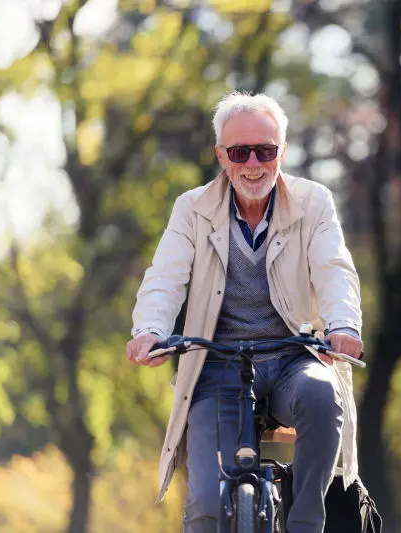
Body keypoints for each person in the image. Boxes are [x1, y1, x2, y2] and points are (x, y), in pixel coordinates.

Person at [125, 91, 364, 533]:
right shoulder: (192, 208)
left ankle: (306, 524)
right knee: (206, 506)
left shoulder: (314, 201)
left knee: (322, 394)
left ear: (282, 152)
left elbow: (334, 267)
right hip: (218, 364)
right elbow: (165, 276)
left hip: (294, 357)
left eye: (265, 151)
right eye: (239, 152)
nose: (253, 163)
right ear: (221, 156)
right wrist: (150, 330)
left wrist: (343, 325)